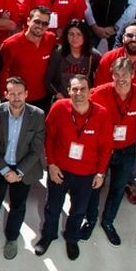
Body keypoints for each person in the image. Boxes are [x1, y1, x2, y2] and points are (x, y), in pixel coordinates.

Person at [83, 56, 136, 245]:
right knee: (94, 186)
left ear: (133, 75)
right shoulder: (98, 94)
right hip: (101, 150)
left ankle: (108, 222)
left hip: (126, 149)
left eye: (125, 74)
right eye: (117, 74)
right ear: (111, 75)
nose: (121, 79)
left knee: (118, 188)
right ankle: (90, 220)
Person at [37, 75, 111, 260]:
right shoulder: (59, 108)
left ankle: (72, 238)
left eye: (83, 89)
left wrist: (101, 173)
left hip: (87, 173)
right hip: (60, 170)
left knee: (78, 210)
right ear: (69, 91)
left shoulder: (101, 114)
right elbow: (49, 138)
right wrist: (51, 164)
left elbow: (106, 147)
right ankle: (48, 235)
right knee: (52, 207)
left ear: (90, 91)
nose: (79, 93)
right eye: (74, 89)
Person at [0, 78, 47, 261]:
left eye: (20, 93)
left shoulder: (37, 115)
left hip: (23, 168)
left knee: (18, 206)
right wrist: (4, 170)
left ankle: (12, 238)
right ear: (6, 94)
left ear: (26, 94)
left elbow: (36, 150)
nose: (16, 97)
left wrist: (18, 172)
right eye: (12, 93)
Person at [44, 19, 101, 104]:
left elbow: (100, 80)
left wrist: (91, 95)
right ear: (66, 36)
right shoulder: (58, 53)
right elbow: (48, 80)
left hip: (84, 101)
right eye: (71, 34)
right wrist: (59, 96)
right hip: (63, 100)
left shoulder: (94, 55)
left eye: (79, 34)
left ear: (85, 36)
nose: (75, 38)